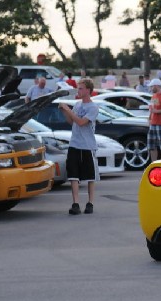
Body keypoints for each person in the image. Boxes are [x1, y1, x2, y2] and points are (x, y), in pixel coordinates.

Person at [58, 79, 99, 215]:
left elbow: (81, 122)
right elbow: (72, 122)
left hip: (87, 145)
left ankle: (90, 202)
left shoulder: (93, 107)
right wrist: (65, 112)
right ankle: (75, 203)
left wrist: (68, 110)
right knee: (73, 174)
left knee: (90, 175)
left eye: (81, 88)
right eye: (78, 88)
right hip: (74, 143)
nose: (78, 91)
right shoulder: (77, 105)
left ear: (88, 90)